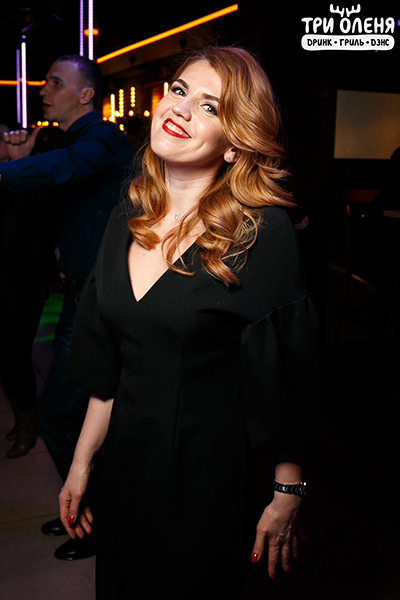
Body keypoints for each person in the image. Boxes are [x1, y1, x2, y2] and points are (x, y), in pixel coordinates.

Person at [59, 46, 330, 598]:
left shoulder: (261, 233)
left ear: (234, 142)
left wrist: (287, 494)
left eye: (210, 107)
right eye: (180, 91)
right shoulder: (126, 216)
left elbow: (287, 388)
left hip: (203, 486)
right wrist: (82, 463)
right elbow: (108, 370)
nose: (180, 109)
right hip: (125, 471)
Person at [0, 55, 133, 559]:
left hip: (99, 300)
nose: (42, 90)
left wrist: (10, 168)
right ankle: (86, 512)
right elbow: (49, 201)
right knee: (71, 413)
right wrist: (20, 161)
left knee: (58, 414)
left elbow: (70, 168)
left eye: (54, 82)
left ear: (86, 95)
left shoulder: (101, 138)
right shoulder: (71, 143)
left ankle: (91, 520)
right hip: (81, 295)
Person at [0, 121, 50, 459]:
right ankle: (21, 419)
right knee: (5, 360)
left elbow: (40, 217)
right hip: (5, 285)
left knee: (17, 358)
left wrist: (21, 162)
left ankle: (27, 426)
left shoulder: (27, 180)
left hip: (23, 288)